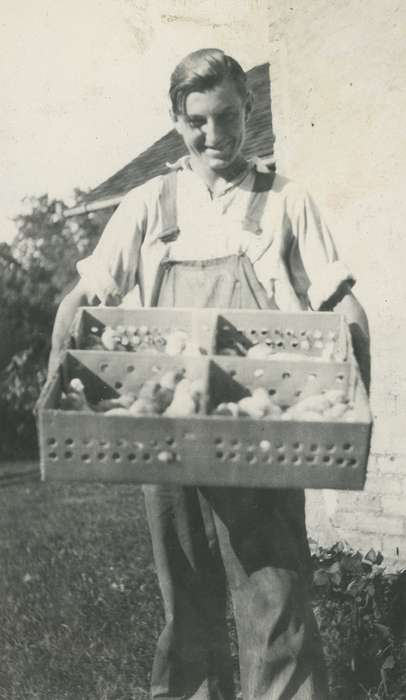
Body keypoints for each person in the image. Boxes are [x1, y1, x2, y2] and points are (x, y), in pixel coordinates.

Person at [49, 49, 370, 700]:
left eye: (228, 117)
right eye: (198, 122)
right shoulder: (148, 204)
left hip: (264, 423)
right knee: (187, 606)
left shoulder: (286, 202)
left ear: (248, 110)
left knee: (274, 602)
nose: (216, 137)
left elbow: (340, 302)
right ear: (177, 120)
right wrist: (61, 369)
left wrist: (358, 371)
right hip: (165, 426)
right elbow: (81, 300)